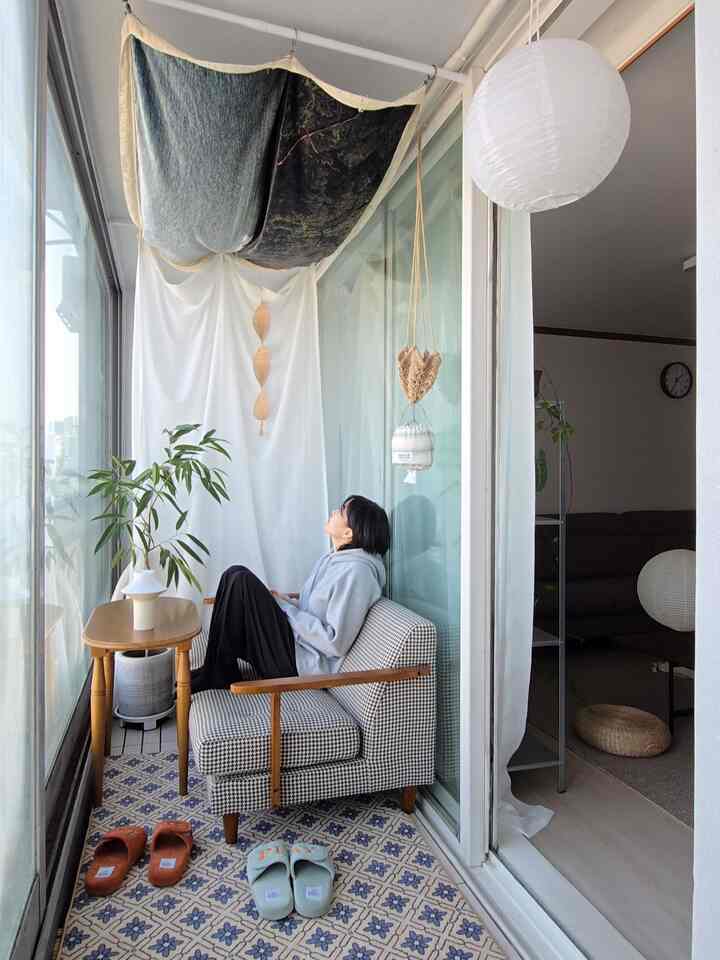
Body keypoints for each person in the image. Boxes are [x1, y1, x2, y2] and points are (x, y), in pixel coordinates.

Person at [191, 495, 391, 692]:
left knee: (241, 580)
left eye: (341, 511)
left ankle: (218, 673)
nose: (333, 512)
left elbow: (335, 642)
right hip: (294, 647)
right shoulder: (333, 560)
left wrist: (285, 609)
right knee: (233, 574)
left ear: (349, 533)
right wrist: (282, 601)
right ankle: (216, 668)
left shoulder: (357, 573)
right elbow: (310, 608)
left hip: (301, 666)